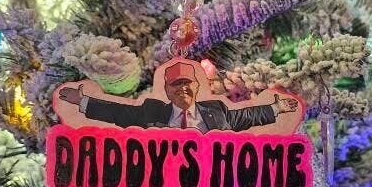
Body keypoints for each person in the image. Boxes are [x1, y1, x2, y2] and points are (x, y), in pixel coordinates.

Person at [58, 61, 298, 133]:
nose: (182, 89)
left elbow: (245, 116)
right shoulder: (151, 111)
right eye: (176, 84)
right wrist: (82, 101)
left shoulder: (217, 110)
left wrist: (276, 108)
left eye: (187, 83)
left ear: (197, 86)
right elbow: (117, 112)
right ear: (167, 90)